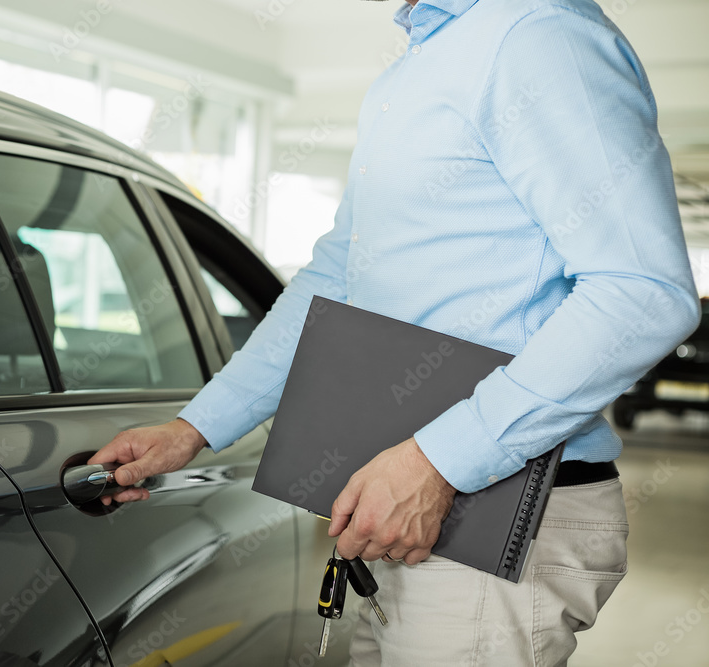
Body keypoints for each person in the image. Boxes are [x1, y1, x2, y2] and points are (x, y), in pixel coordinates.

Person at [90, 0, 700, 662]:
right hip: (409, 509)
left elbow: (645, 293)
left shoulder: (538, 34)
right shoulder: (415, 65)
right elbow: (338, 278)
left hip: (499, 517)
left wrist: (439, 459)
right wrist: (194, 428)